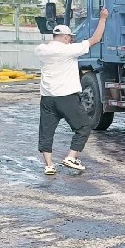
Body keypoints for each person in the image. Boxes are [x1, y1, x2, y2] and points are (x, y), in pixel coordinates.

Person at [35, 10, 109, 175]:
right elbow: (96, 39)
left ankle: (49, 165)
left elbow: (47, 46)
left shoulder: (41, 50)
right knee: (83, 126)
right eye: (70, 37)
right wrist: (103, 19)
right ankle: (71, 157)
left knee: (46, 132)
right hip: (67, 98)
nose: (71, 40)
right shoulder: (69, 50)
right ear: (66, 37)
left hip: (47, 98)